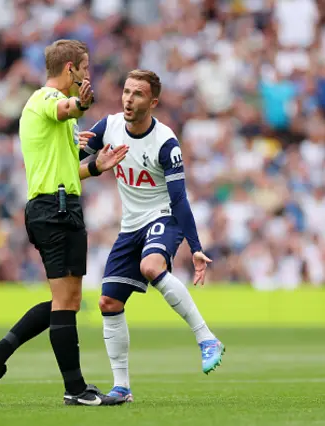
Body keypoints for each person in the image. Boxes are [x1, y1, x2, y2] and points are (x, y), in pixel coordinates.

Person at [0, 40, 129, 407]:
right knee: (65, 300)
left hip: (63, 207)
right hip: (52, 209)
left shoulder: (58, 121)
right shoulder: (42, 99)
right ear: (70, 69)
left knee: (67, 301)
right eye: (85, 67)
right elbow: (65, 108)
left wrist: (97, 165)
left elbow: (68, 169)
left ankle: (0, 353)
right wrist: (82, 104)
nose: (88, 74)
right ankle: (75, 389)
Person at [78, 70, 226, 402]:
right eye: (126, 92)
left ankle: (207, 338)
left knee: (151, 266)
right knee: (108, 302)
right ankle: (122, 387)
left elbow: (179, 199)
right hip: (130, 225)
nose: (129, 99)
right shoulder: (109, 126)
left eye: (138, 94)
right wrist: (91, 162)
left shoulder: (165, 142)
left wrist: (196, 247)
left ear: (153, 102)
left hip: (163, 217)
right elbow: (71, 161)